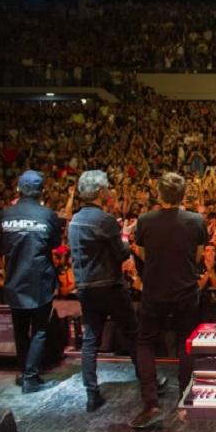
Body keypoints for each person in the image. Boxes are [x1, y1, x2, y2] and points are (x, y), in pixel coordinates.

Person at [130, 172, 208, 429]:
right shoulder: (195, 220)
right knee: (187, 341)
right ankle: (186, 399)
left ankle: (150, 402)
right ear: (183, 195)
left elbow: (143, 254)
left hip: (154, 291)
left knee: (145, 342)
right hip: (185, 289)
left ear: (159, 194)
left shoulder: (145, 220)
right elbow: (197, 257)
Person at [67, 170, 146, 412]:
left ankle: (92, 394)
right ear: (101, 192)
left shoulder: (75, 220)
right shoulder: (105, 220)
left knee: (90, 339)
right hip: (110, 286)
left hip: (85, 287)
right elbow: (122, 254)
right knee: (133, 333)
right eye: (108, 188)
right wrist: (124, 235)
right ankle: (148, 383)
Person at [0, 170, 62, 393]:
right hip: (40, 281)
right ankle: (31, 378)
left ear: (18, 189)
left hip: (14, 280)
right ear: (41, 191)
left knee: (20, 330)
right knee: (40, 330)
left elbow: (0, 248)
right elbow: (54, 244)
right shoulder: (48, 215)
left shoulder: (4, 215)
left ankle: (25, 373)